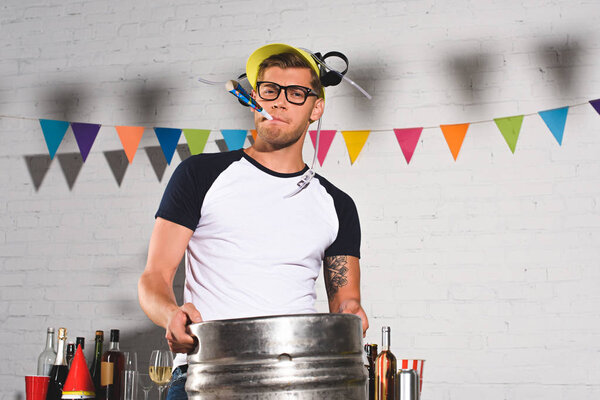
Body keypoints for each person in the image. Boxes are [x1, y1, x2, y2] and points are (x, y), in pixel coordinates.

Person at [138, 43, 368, 400]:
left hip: (301, 378)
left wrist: (354, 316)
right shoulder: (200, 174)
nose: (278, 102)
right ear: (254, 98)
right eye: (270, 90)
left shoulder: (337, 204)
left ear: (316, 108)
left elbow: (345, 304)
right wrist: (170, 314)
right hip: (207, 373)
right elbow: (154, 276)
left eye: (295, 94)